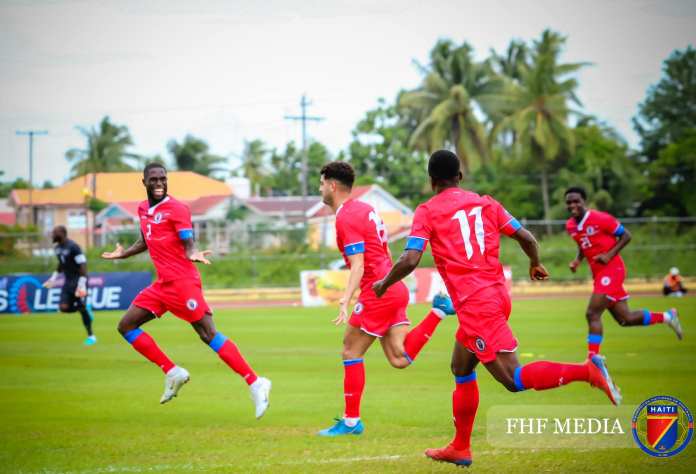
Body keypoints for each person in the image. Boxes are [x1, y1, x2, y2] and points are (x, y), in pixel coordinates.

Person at [373, 150, 622, 467]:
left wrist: (383, 284)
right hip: (496, 296)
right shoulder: (486, 203)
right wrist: (535, 263)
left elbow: (410, 259)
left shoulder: (427, 210)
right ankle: (460, 447)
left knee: (513, 379)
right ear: (460, 177)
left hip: (477, 305)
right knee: (461, 368)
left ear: (431, 181)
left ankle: (587, 371)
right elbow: (526, 237)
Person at [101, 163, 271, 418]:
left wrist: (194, 254)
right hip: (162, 285)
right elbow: (145, 240)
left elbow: (188, 242)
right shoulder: (143, 208)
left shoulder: (177, 209)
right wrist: (123, 253)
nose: (159, 183)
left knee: (207, 333)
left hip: (182, 283)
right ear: (144, 181)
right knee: (126, 326)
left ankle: (256, 383)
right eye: (154, 179)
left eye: (163, 179)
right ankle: (172, 371)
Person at [316, 161, 454, 437]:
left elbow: (358, 264)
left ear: (332, 185)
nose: (319, 189)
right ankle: (438, 312)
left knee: (350, 351)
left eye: (321, 183)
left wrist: (345, 299)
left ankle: (351, 422)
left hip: (378, 291)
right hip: (393, 286)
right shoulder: (364, 209)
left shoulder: (346, 216)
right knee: (399, 358)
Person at [564, 186, 683, 356]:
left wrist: (608, 255)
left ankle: (593, 361)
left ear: (585, 202)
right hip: (599, 274)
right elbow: (582, 243)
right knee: (625, 319)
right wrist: (577, 260)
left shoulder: (601, 218)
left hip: (612, 269)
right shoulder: (570, 225)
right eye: (569, 202)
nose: (572, 205)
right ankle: (667, 317)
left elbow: (626, 235)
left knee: (592, 313)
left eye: (576, 201)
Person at [42, 226, 96, 345]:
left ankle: (91, 336)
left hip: (80, 281)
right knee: (63, 308)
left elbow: (83, 265)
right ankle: (84, 308)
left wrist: (81, 285)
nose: (52, 235)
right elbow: (61, 264)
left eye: (54, 233)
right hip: (68, 282)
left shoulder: (73, 246)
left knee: (81, 307)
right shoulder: (57, 248)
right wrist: (53, 278)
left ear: (62, 233)